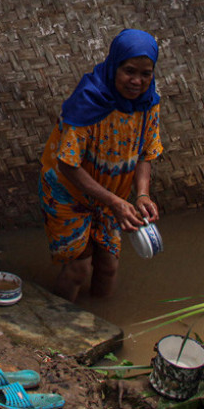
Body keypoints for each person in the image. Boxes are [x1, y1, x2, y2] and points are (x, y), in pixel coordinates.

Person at [39, 28, 162, 302]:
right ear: (114, 65)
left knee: (108, 266)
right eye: (129, 71)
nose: (137, 81)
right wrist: (115, 203)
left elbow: (146, 152)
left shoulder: (149, 103)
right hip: (68, 192)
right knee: (78, 269)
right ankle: (60, 333)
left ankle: (103, 321)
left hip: (110, 197)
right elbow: (68, 164)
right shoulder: (89, 102)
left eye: (146, 74)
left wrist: (142, 194)